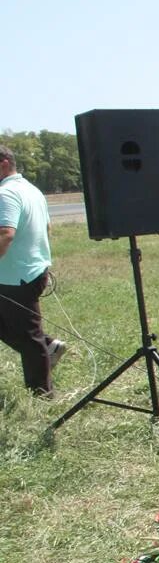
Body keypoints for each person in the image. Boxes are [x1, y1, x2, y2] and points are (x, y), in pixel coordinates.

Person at [0, 145, 65, 395]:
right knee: (24, 332)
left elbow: (5, 234)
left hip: (15, 277)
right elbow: (47, 229)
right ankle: (50, 347)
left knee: (29, 336)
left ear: (4, 163)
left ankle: (43, 393)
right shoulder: (31, 189)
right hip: (31, 271)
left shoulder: (6, 194)